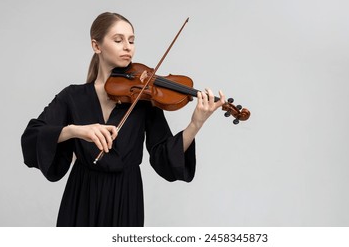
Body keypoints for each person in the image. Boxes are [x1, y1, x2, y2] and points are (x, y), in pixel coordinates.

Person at [21, 12, 225, 227]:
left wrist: (195, 124)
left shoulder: (144, 97)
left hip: (126, 196)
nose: (128, 47)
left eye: (132, 40)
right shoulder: (72, 96)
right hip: (82, 194)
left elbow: (164, 155)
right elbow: (33, 135)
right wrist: (75, 130)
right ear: (96, 46)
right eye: (118, 40)